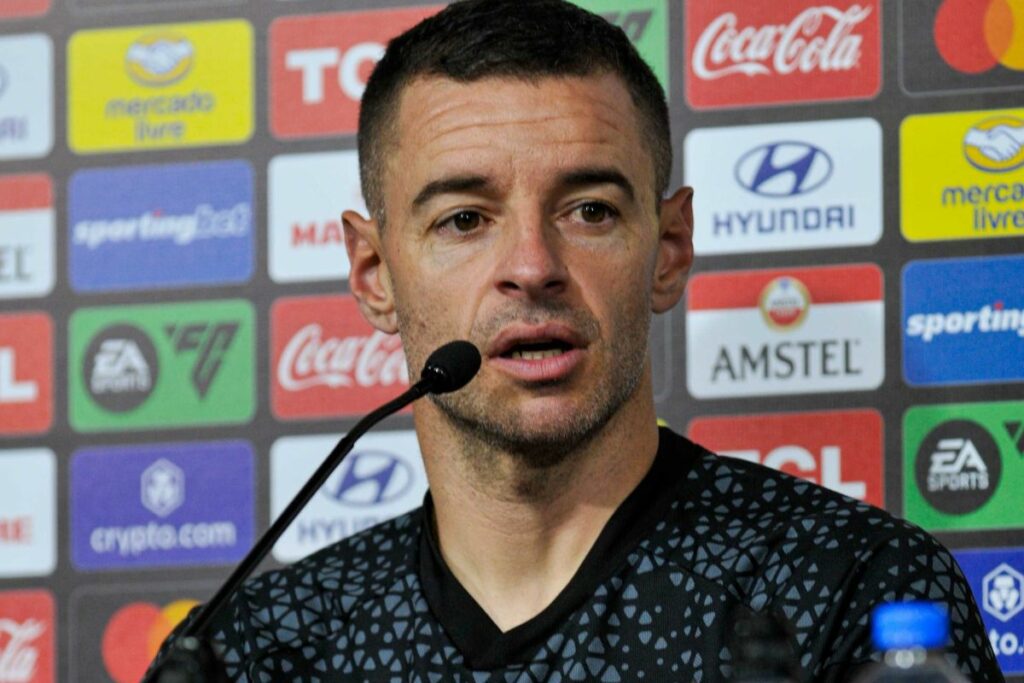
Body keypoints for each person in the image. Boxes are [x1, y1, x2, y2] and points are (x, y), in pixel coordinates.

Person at [148, 1, 1004, 680]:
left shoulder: (858, 595)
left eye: (589, 210)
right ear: (374, 272)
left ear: (668, 250)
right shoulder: (259, 650)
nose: (532, 266)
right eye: (465, 219)